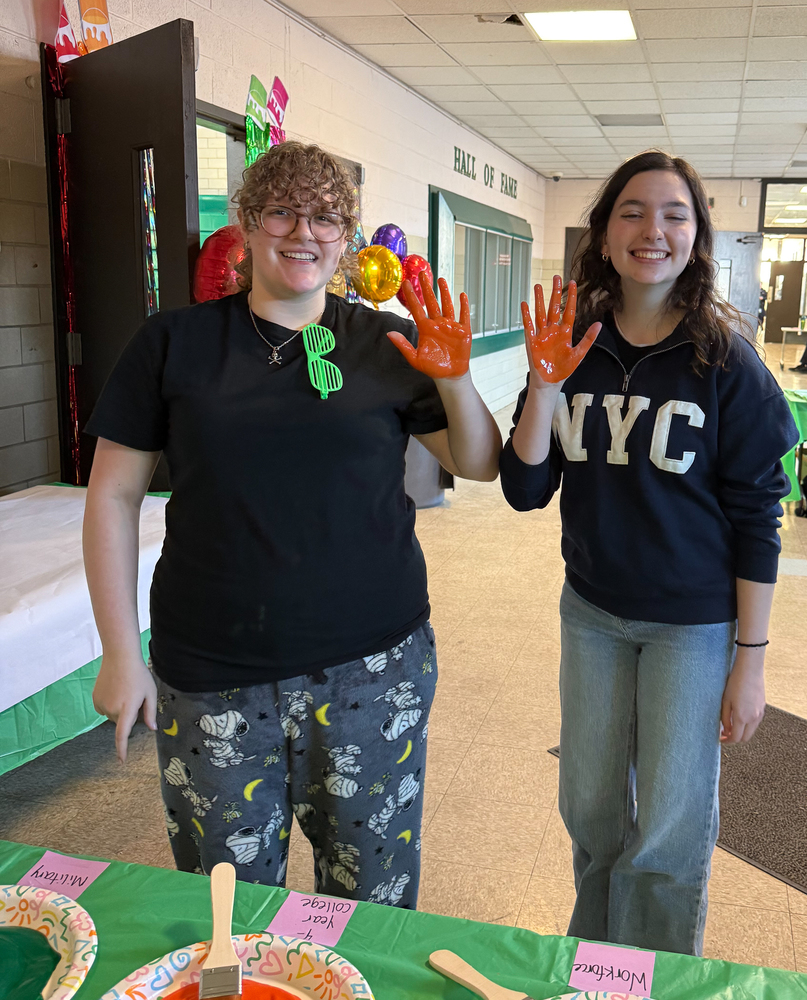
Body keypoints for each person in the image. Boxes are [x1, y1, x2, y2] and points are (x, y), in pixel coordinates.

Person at [82, 141, 501, 906]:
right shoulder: (171, 344)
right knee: (228, 908)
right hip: (212, 675)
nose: (303, 231)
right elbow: (110, 497)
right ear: (246, 223)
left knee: (372, 902)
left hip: (375, 669)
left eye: (326, 217)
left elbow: (477, 462)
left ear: (348, 238)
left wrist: (455, 376)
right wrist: (119, 651)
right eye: (281, 210)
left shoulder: (386, 343)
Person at [498, 150, 798, 956]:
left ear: (697, 237)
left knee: (669, 822)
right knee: (591, 808)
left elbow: (759, 513)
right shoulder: (571, 345)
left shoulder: (725, 360)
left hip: (690, 626)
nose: (652, 230)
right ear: (603, 233)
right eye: (632, 211)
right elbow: (525, 491)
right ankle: (595, 963)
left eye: (674, 214)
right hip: (592, 612)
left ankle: (655, 984)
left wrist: (751, 661)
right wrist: (545, 385)